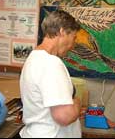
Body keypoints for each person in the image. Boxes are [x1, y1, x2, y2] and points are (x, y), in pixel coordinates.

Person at [19, 10, 82, 138]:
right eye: (73, 38)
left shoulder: (34, 58)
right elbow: (64, 116)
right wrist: (77, 102)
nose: (73, 45)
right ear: (62, 31)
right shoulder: (51, 63)